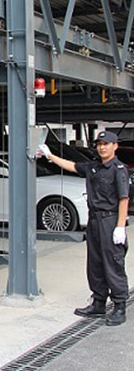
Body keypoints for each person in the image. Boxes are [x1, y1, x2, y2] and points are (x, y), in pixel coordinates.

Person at [39, 131, 130, 326]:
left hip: (110, 221)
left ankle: (119, 306)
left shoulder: (118, 169)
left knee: (112, 264)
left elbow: (124, 199)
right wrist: (50, 156)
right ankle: (98, 302)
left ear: (115, 146)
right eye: (99, 144)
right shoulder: (93, 167)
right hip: (94, 221)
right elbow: (72, 166)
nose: (102, 147)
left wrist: (120, 226)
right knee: (95, 263)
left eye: (106, 144)